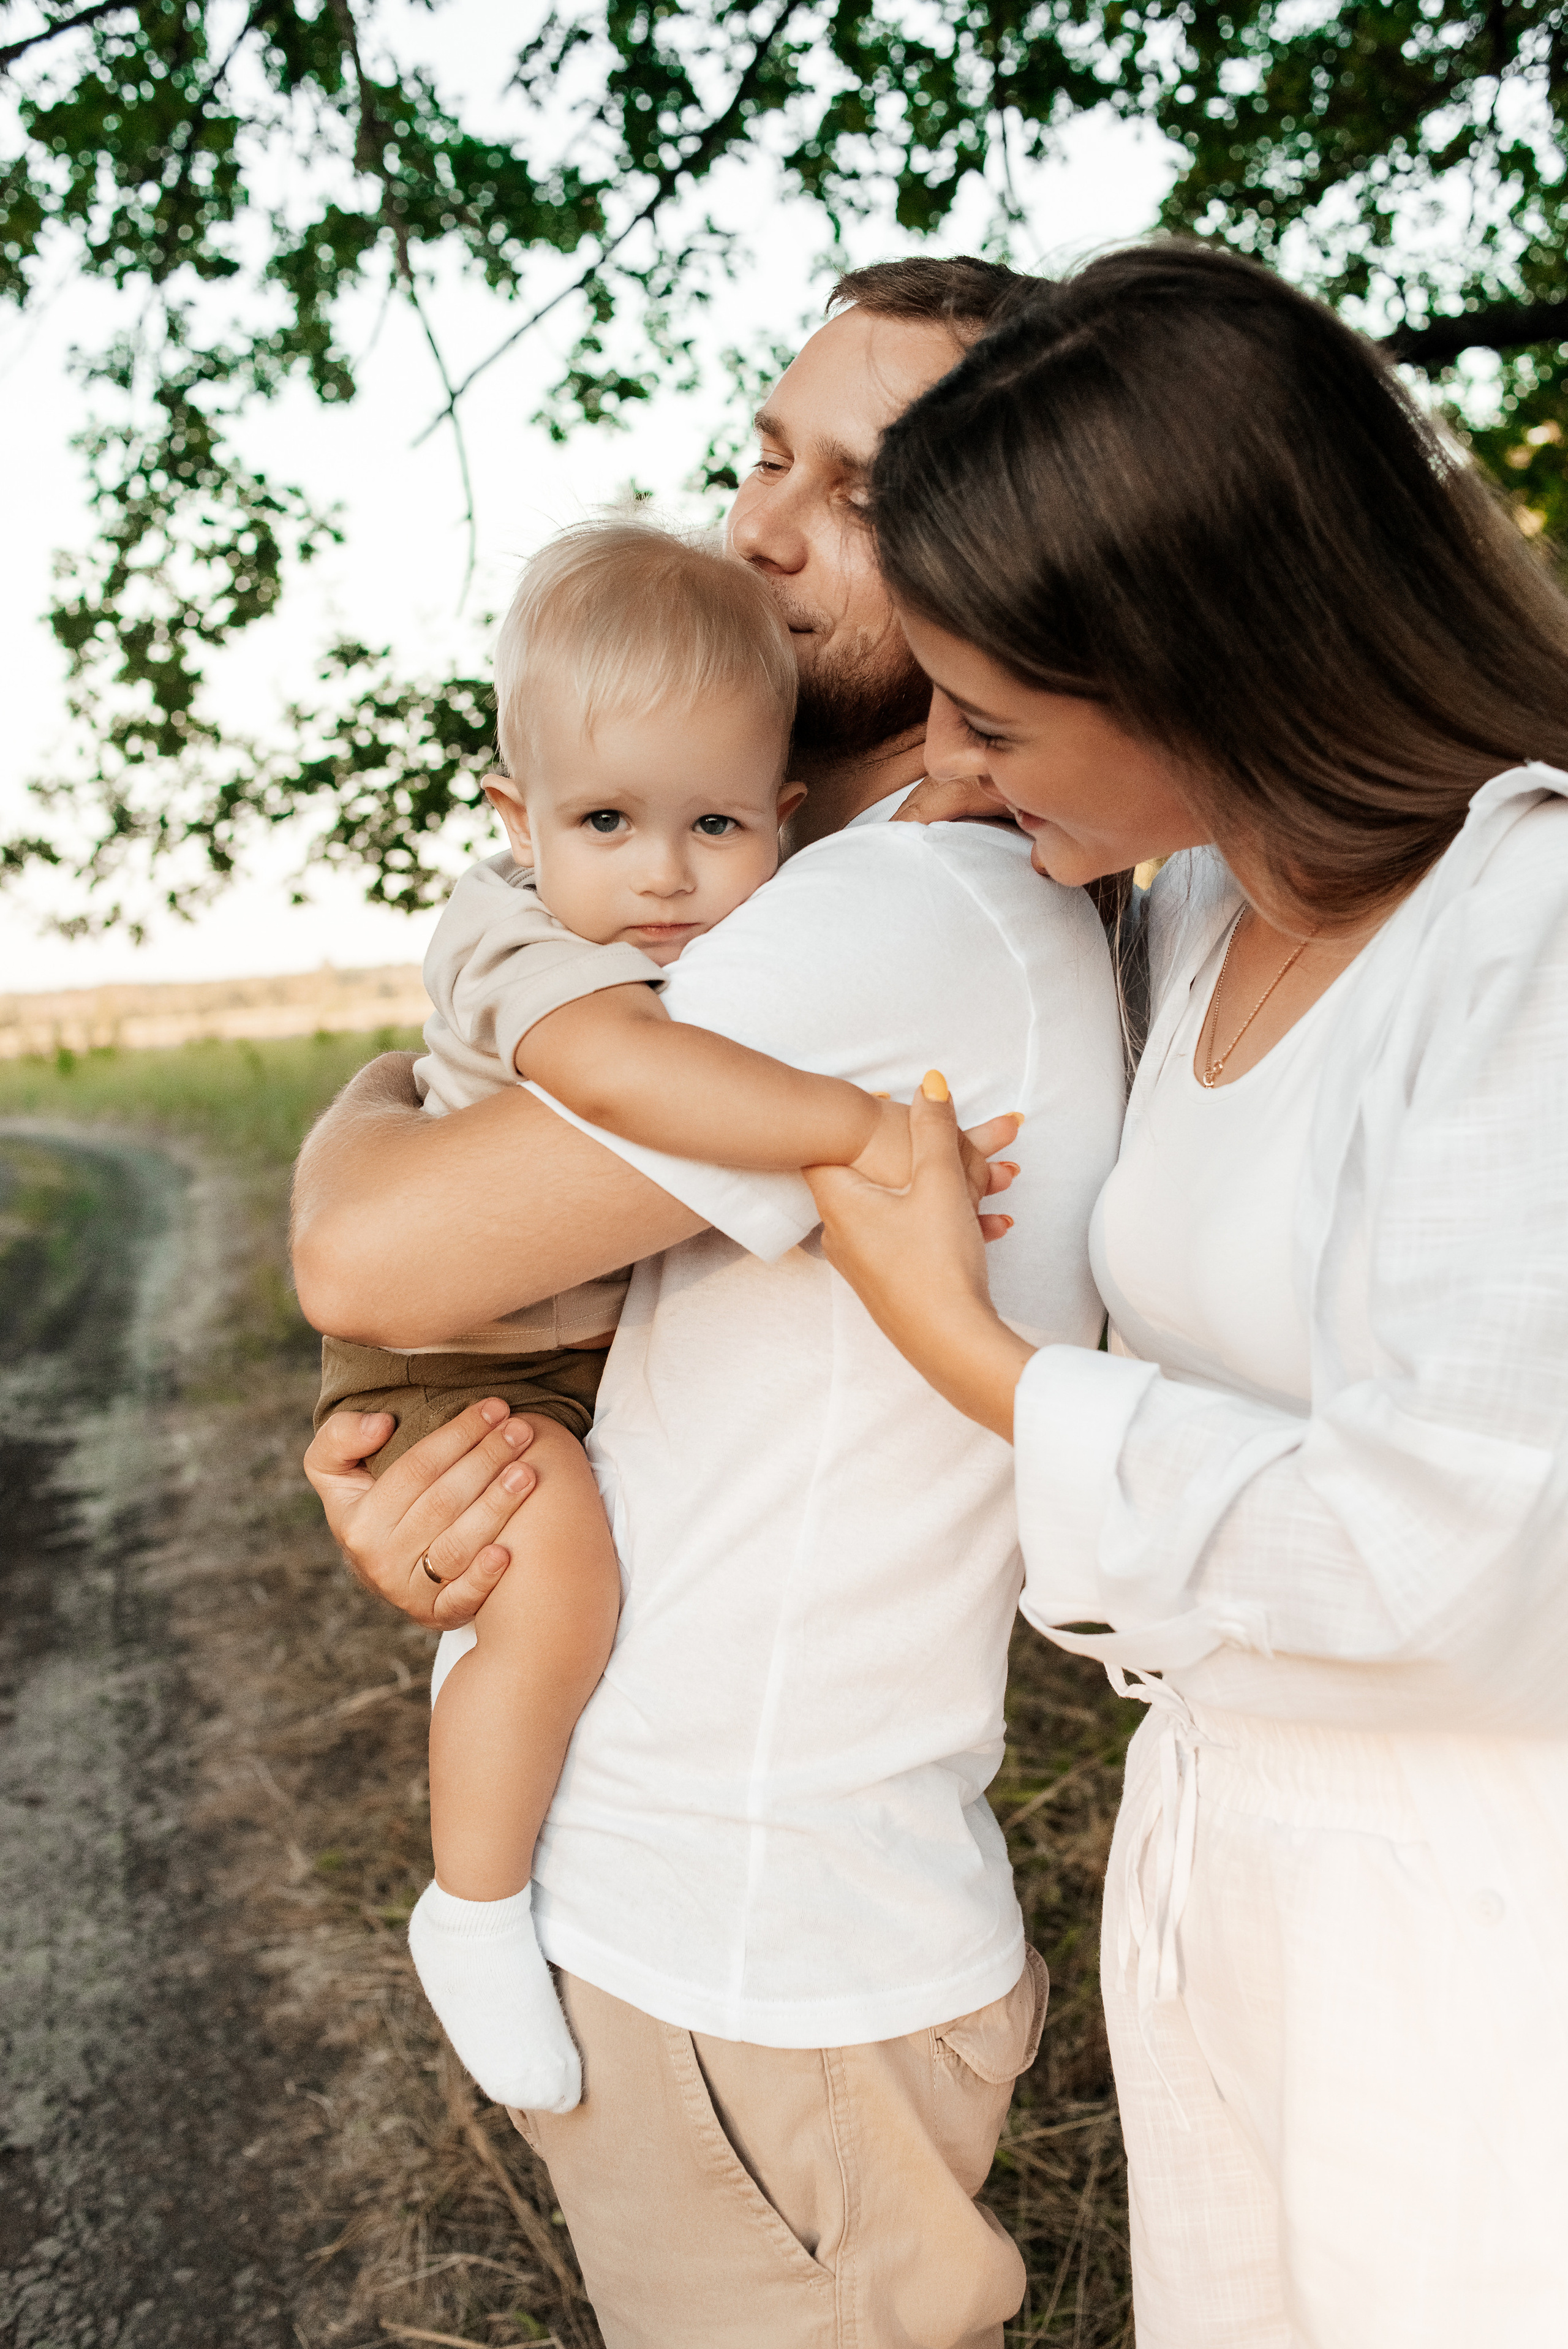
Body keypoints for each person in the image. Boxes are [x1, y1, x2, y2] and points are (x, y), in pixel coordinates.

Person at [293, 258, 1129, 2348]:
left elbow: (364, 1256)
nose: (760, 525)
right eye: (767, 451)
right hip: (736, 1930)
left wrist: (363, 1133)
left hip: (748, 1960)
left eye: (855, 484)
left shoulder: (883, 921)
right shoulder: (775, 890)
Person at [803, 240, 1568, 2348]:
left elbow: (1454, 1552)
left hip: (1480, 1925)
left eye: (993, 715)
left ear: (1202, 658)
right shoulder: (1208, 895)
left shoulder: (1529, 931)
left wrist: (978, 1359)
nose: (944, 764)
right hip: (1233, 1855)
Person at [318, 518, 974, 2114]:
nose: (665, 873)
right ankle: (468, 1905)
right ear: (514, 819)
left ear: (784, 819)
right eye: (605, 818)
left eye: (716, 824)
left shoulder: (755, 924)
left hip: (558, 1334)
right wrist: (858, 1131)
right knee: (554, 1596)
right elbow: (618, 1079)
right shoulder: (520, 933)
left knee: (545, 1577)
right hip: (466, 1355)